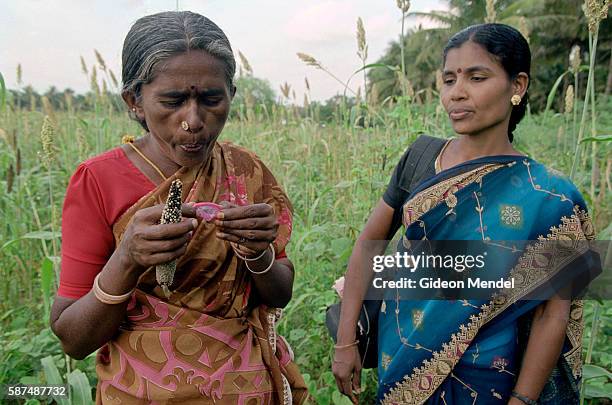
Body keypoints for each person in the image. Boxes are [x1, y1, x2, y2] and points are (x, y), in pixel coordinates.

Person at [50, 11, 306, 404]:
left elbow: (281, 291)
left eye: (211, 99)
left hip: (245, 389)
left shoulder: (246, 172)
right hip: (141, 393)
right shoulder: (99, 181)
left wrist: (258, 255)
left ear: (231, 96)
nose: (193, 121)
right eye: (172, 101)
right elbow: (73, 337)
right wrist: (127, 260)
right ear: (134, 102)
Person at [333, 23, 596, 404]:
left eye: (477, 77)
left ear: (517, 86)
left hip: (490, 378)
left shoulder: (551, 197)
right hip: (402, 355)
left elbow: (550, 316)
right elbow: (368, 246)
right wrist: (345, 342)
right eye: (449, 79)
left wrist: (522, 400)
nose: (457, 93)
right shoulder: (421, 158)